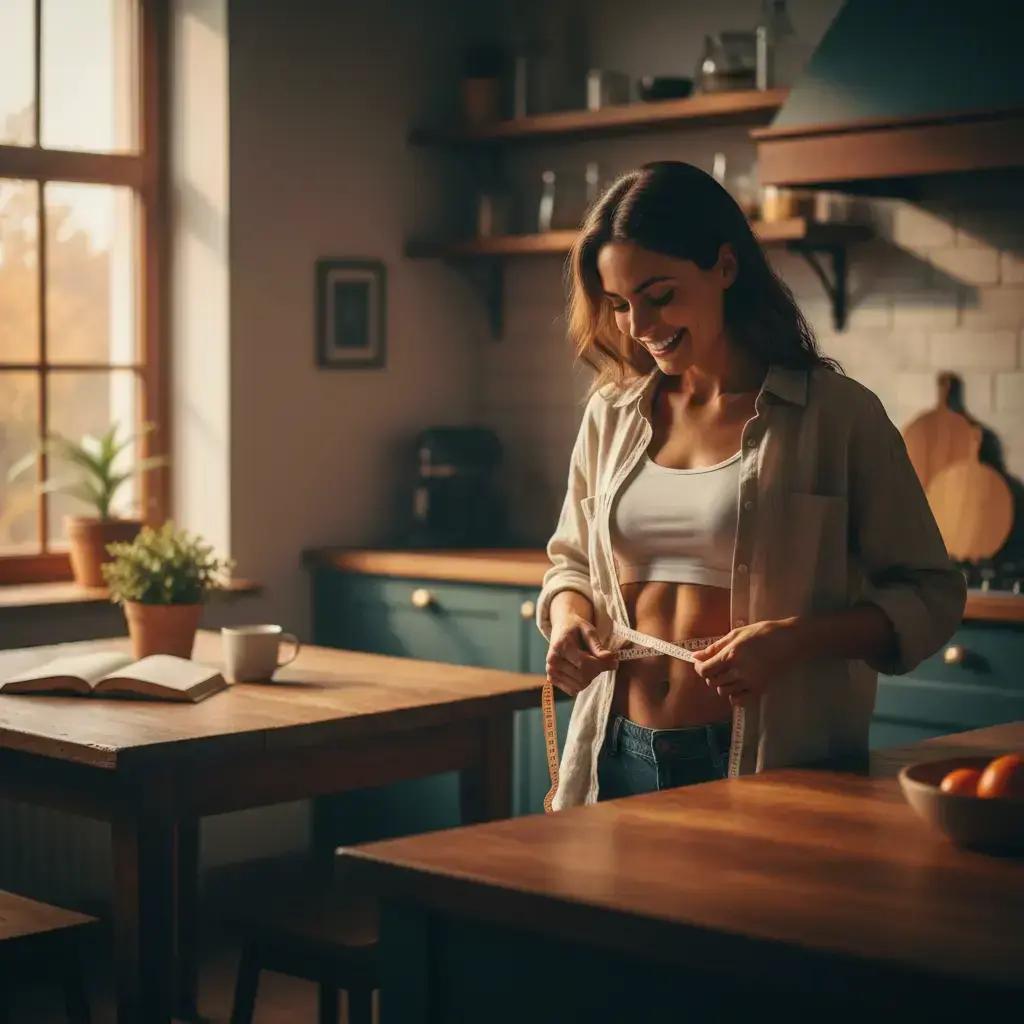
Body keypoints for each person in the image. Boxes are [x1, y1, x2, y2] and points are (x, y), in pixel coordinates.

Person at [536, 160, 966, 811]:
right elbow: (570, 563)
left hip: (770, 764)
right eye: (619, 304)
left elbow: (930, 594)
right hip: (614, 754)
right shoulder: (611, 412)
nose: (638, 326)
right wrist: (570, 621)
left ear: (726, 267)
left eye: (660, 295)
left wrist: (795, 642)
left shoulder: (836, 416)